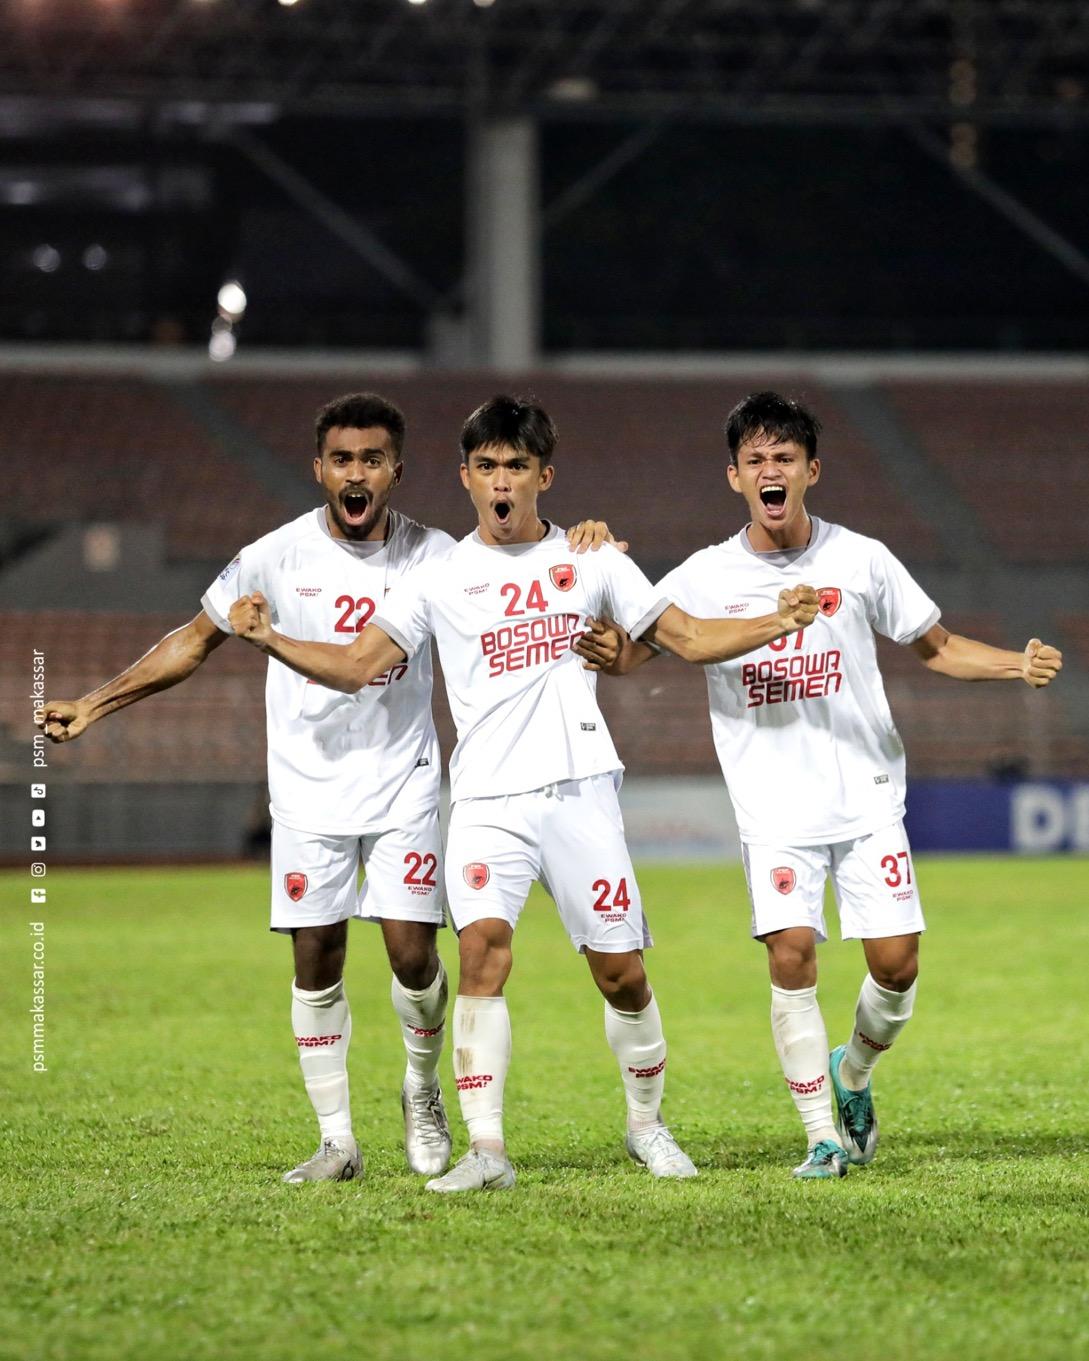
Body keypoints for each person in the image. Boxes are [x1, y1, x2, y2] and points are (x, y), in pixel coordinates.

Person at [227, 393, 819, 1192]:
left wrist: (773, 623)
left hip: (579, 789)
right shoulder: (439, 577)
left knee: (621, 972)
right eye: (486, 467)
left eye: (515, 467)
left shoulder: (592, 558)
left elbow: (686, 638)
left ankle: (647, 1125)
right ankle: (488, 1148)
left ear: (544, 475)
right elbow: (357, 663)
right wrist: (269, 639)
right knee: (479, 956)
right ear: (465, 477)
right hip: (484, 802)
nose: (500, 482)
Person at [36, 390, 619, 1186]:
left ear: (396, 470)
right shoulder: (270, 555)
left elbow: (521, 555)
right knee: (317, 957)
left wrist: (583, 542)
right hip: (307, 789)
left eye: (371, 459)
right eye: (341, 458)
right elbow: (194, 641)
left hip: (406, 782)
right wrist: (94, 702)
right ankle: (337, 1140)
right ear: (319, 468)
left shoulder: (438, 555)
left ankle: (421, 1086)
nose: (356, 472)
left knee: (414, 958)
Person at [603, 390, 1063, 1179]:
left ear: (810, 470)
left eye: (783, 457)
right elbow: (625, 654)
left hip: (866, 796)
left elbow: (938, 645)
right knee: (790, 954)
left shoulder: (860, 559)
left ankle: (852, 1074)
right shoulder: (706, 575)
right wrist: (593, 560)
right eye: (755, 460)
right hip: (772, 809)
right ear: (733, 477)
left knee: (896, 965)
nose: (769, 470)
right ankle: (820, 1135)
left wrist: (1013, 665)